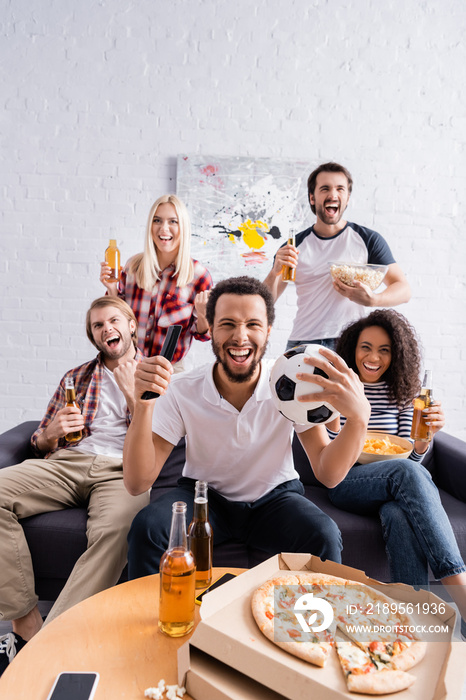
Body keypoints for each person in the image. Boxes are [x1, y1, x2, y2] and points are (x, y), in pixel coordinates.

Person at [123, 276, 371, 580]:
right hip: (204, 498)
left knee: (324, 534)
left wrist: (359, 418)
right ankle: (145, 623)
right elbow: (137, 483)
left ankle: (314, 626)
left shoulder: (293, 384)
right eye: (227, 324)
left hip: (275, 499)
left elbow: (328, 474)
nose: (240, 337)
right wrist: (143, 405)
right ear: (211, 329)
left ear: (267, 332)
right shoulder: (182, 389)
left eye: (252, 325)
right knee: (147, 528)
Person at [0, 297, 150, 676]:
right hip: (68, 463)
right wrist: (49, 435)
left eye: (113, 320)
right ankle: (25, 624)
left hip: (121, 470)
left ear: (131, 325)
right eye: (98, 325)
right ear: (94, 335)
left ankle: (55, 638)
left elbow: (163, 437)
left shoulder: (157, 373)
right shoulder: (75, 377)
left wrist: (134, 394)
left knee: (118, 529)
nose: (106, 329)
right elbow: (39, 440)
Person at [328, 309, 466, 624]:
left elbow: (409, 459)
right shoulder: (339, 387)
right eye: (366, 347)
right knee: (406, 475)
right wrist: (336, 415)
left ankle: (414, 620)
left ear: (396, 355)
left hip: (393, 483)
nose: (373, 356)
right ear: (353, 349)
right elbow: (331, 455)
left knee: (398, 513)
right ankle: (461, 590)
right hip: (346, 482)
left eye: (384, 349)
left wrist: (422, 443)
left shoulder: (403, 393)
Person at [263, 162, 411, 351]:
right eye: (325, 189)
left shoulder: (368, 239)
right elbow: (263, 303)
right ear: (312, 198)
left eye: (340, 189)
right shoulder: (293, 246)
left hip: (350, 343)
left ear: (347, 198)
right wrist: (275, 272)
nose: (333, 195)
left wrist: (373, 299)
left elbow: (404, 289)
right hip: (302, 343)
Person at [100, 194, 213, 368]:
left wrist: (204, 314)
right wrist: (111, 288)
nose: (163, 229)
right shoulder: (133, 267)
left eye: (173, 222)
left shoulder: (199, 276)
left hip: (169, 372)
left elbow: (203, 335)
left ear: (183, 227)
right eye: (157, 220)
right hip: (129, 365)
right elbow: (116, 319)